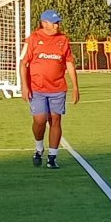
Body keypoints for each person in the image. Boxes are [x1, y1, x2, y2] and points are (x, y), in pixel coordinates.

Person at [21, 10, 80, 170]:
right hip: (37, 89)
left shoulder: (63, 40)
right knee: (39, 121)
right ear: (44, 23)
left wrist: (75, 87)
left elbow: (69, 63)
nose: (57, 25)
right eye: (54, 23)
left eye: (58, 22)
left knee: (55, 120)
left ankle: (52, 157)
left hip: (57, 88)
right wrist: (24, 86)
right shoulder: (33, 39)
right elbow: (23, 63)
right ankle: (39, 147)